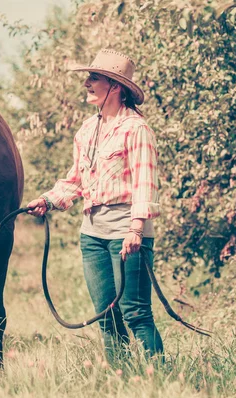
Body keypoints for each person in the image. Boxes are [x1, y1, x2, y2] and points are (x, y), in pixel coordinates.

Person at [27, 49, 163, 362]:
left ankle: (159, 381)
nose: (86, 84)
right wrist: (47, 200)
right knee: (106, 315)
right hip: (92, 234)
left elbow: (146, 182)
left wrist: (136, 229)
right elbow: (75, 180)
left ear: (115, 87)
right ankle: (122, 381)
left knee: (136, 314)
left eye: (94, 78)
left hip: (127, 231)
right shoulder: (88, 130)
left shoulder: (136, 129)